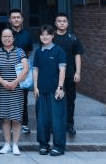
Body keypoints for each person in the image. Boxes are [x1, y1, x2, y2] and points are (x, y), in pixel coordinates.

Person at [33, 24, 67, 156]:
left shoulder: (59, 51)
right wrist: (35, 87)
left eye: (47, 34)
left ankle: (58, 146)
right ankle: (43, 145)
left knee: (57, 120)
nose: (45, 37)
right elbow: (35, 70)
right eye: (42, 35)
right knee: (42, 120)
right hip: (41, 91)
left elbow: (62, 70)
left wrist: (60, 87)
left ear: (52, 36)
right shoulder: (38, 52)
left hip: (55, 91)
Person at [0, 27, 29, 156]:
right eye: (4, 36)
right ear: (1, 38)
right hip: (2, 89)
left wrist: (15, 82)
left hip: (17, 89)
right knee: (5, 118)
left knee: (16, 118)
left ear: (13, 38)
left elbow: (26, 68)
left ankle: (15, 145)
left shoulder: (20, 52)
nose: (7, 39)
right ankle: (7, 144)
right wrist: (3, 82)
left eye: (9, 36)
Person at [53, 13, 84, 136]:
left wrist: (78, 72)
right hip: (54, 75)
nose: (62, 23)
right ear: (55, 23)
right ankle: (56, 124)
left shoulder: (73, 38)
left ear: (67, 23)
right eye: (59, 21)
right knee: (55, 99)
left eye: (64, 21)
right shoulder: (51, 37)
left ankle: (69, 125)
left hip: (70, 73)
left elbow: (77, 56)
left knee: (70, 100)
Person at [8, 9, 34, 134]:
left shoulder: (27, 35)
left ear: (22, 19)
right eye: (13, 17)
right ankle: (9, 124)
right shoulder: (6, 34)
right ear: (10, 20)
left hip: (22, 69)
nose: (16, 19)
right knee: (9, 97)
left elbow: (29, 51)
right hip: (8, 68)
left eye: (18, 17)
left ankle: (24, 123)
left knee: (23, 98)